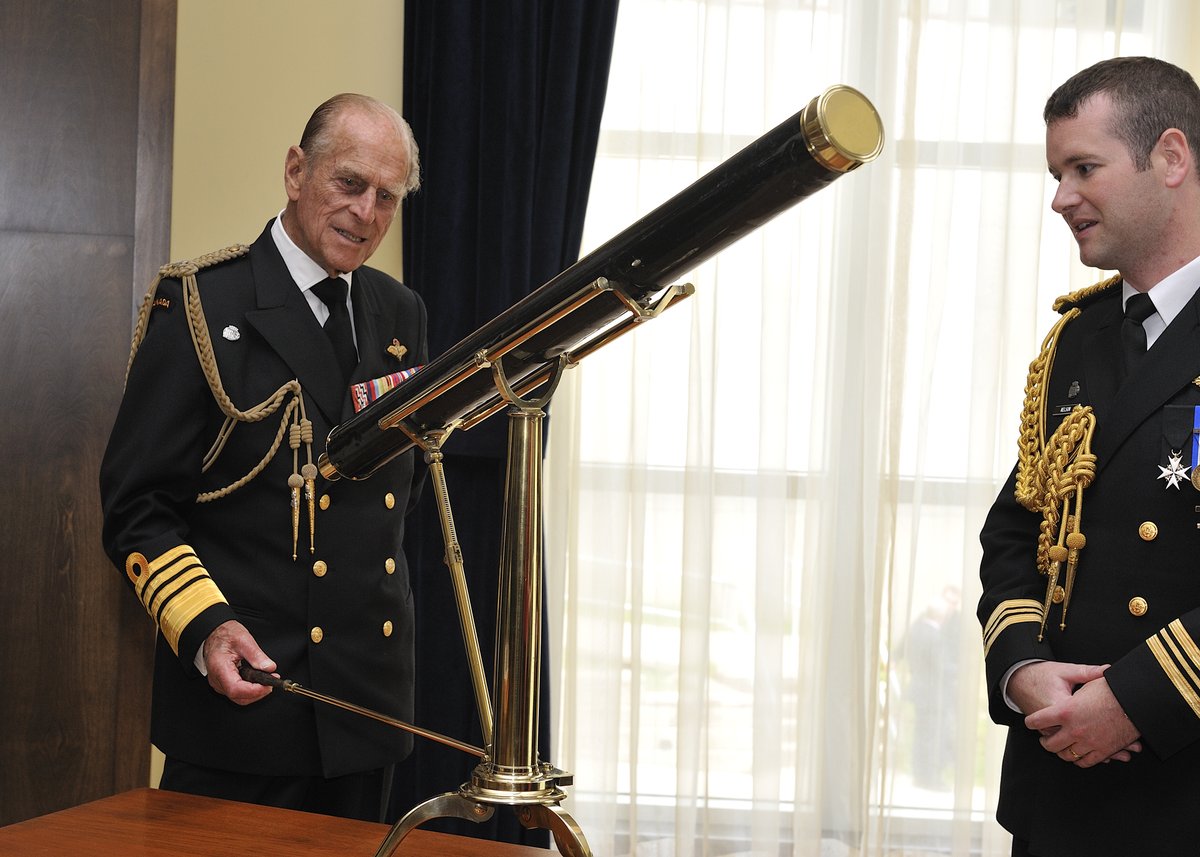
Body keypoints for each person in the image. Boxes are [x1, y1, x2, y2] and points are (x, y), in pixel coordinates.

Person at [100, 93, 428, 821]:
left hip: (366, 711)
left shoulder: (400, 313)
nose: (367, 214)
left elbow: (394, 508)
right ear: (295, 171)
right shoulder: (197, 305)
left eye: (388, 196)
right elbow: (136, 508)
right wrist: (206, 625)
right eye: (349, 183)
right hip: (244, 705)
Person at [978, 56, 1200, 856]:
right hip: (1061, 797)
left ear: (1171, 158)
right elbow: (1014, 534)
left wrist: (1139, 698)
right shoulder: (1078, 337)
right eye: (1056, 172)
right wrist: (1023, 669)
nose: (1061, 196)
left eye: (1084, 168)